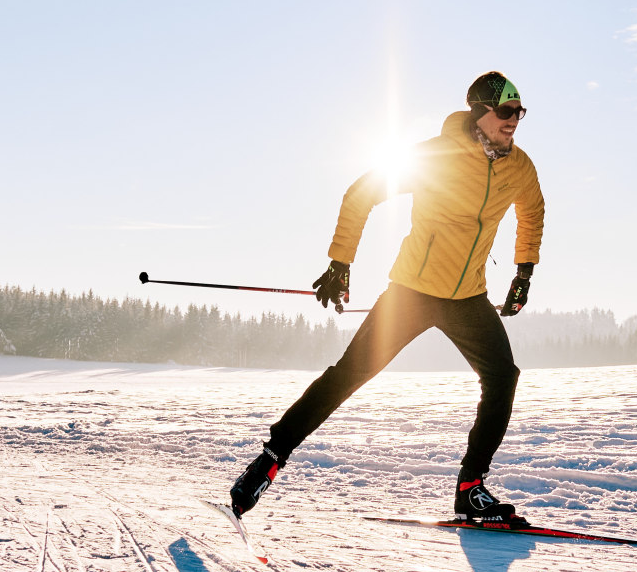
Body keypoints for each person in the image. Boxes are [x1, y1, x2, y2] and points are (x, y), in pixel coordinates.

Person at [230, 71, 546, 525]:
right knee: (349, 375)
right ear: (479, 113)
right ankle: (269, 460)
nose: (513, 120)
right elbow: (362, 193)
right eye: (505, 111)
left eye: (520, 112)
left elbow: (532, 211)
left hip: (468, 296)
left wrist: (524, 273)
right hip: (413, 291)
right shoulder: (435, 156)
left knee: (503, 377)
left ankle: (470, 488)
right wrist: (341, 263)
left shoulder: (520, 167)